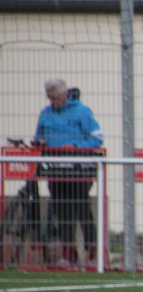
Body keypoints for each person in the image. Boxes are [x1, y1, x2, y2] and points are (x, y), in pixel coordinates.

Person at [34, 79, 103, 268]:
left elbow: (97, 138)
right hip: (55, 169)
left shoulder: (82, 112)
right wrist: (39, 144)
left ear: (65, 95)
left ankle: (92, 255)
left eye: (55, 98)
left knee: (81, 208)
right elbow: (38, 137)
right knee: (62, 211)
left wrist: (76, 147)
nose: (52, 102)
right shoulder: (45, 114)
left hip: (79, 170)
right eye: (49, 98)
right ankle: (68, 256)